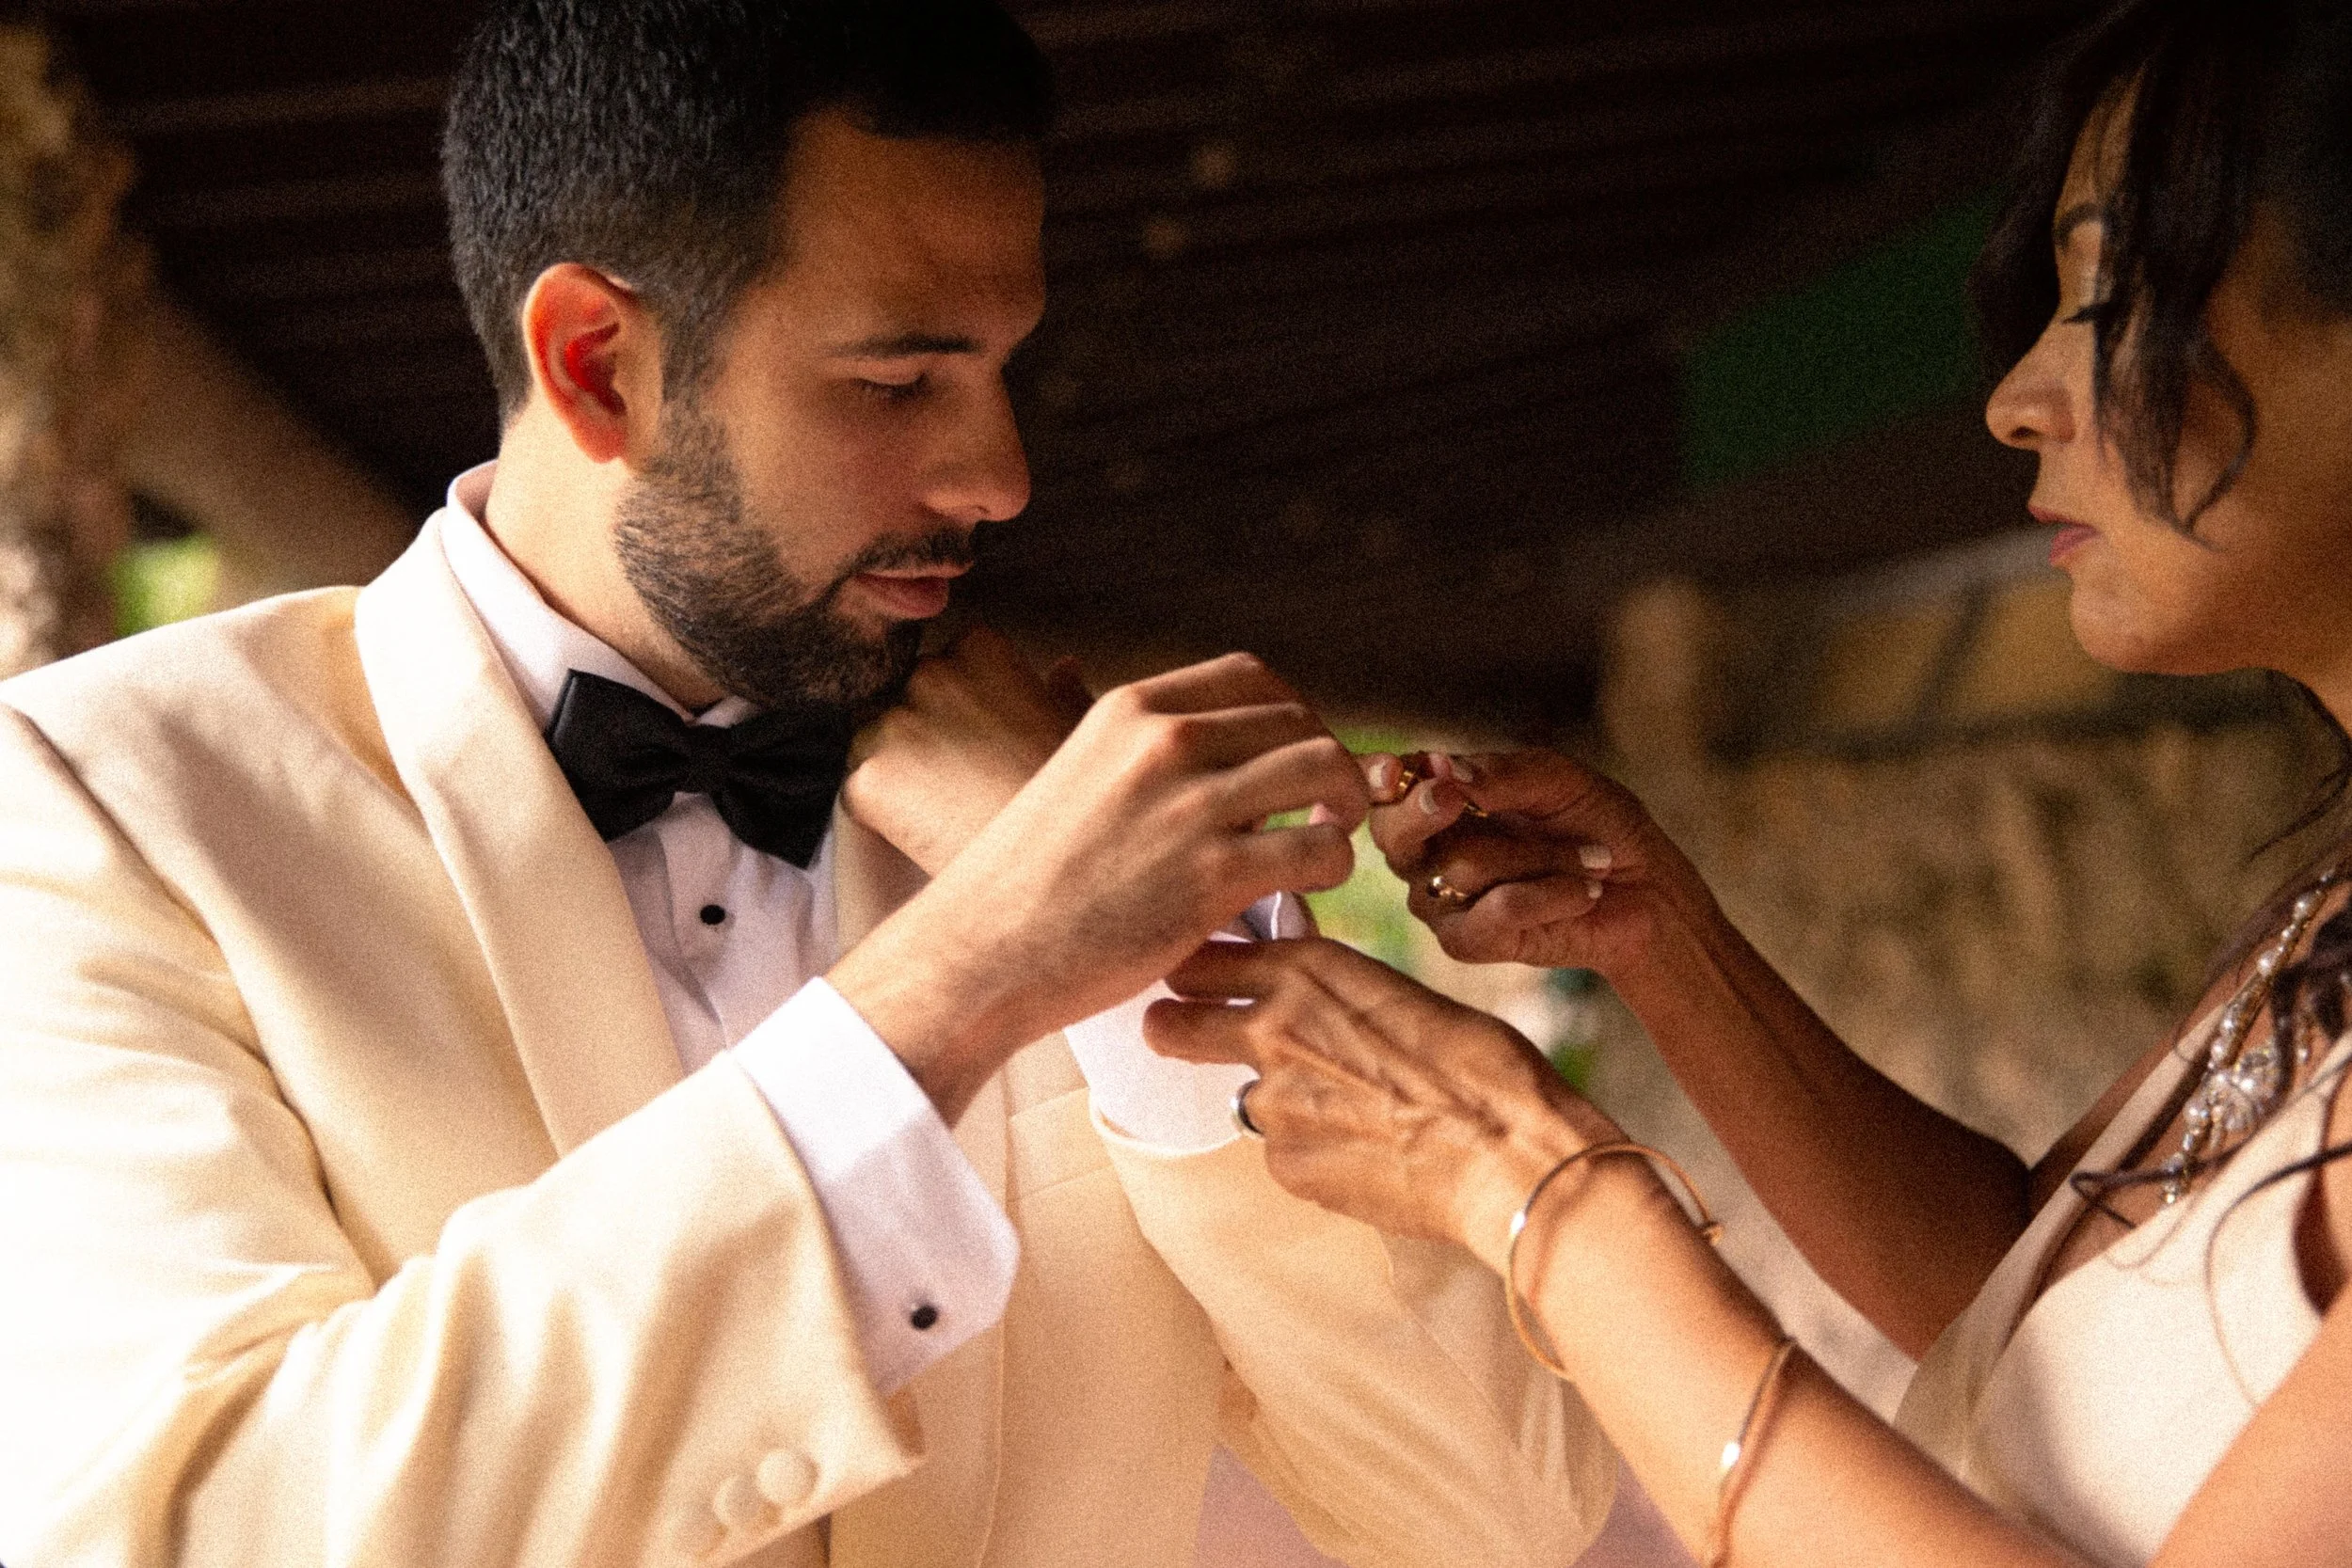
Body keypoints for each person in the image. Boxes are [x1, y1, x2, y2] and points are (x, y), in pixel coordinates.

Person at [0, 3, 1617, 1564]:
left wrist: (1164, 989)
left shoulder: (1066, 802)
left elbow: (1502, 1521)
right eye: (899, 381)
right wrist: (968, 980)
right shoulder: (102, 807)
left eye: (1000, 370)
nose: (999, 478)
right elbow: (201, 1532)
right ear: (596, 365)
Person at [1136, 1, 2352, 1564]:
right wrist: (1665, 940)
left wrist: (1539, 1183)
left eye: (2115, 298)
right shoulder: (2322, 916)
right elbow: (2032, 1301)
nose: (2016, 399)